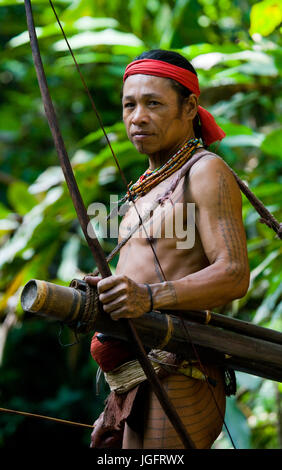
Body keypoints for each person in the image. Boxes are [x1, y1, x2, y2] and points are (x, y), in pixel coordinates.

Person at [86, 49, 250, 449]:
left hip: (180, 368)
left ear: (190, 106)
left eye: (153, 103)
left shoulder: (204, 170)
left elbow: (233, 273)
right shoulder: (145, 185)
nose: (137, 116)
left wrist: (146, 297)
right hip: (132, 376)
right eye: (129, 105)